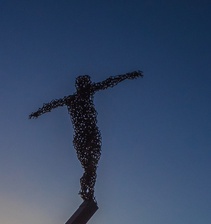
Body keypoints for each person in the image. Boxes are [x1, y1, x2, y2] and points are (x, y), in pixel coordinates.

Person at [29, 70, 143, 201]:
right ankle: (86, 191)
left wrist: (128, 75)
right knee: (89, 168)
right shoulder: (73, 99)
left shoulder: (85, 94)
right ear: (80, 86)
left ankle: (88, 193)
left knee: (91, 168)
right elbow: (52, 104)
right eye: (84, 84)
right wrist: (38, 112)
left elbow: (109, 82)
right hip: (82, 137)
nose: (87, 86)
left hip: (91, 135)